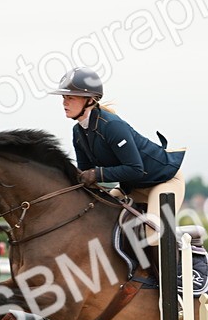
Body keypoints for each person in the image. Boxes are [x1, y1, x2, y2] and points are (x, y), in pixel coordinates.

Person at [51, 67, 185, 243]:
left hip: (164, 182)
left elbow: (135, 169)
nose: (64, 103)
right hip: (134, 188)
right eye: (64, 97)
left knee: (153, 236)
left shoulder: (112, 126)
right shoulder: (78, 132)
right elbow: (86, 174)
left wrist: (97, 174)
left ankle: (179, 269)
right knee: (95, 215)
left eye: (70, 97)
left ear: (90, 100)